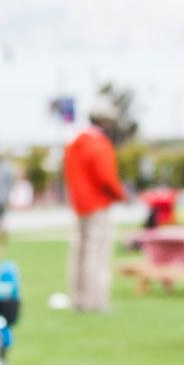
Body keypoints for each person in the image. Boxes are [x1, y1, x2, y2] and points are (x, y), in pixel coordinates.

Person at [62, 111, 129, 312]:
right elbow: (106, 176)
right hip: (98, 204)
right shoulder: (98, 144)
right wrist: (120, 194)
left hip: (80, 205)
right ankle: (95, 300)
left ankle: (78, 298)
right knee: (97, 254)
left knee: (80, 253)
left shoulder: (73, 145)